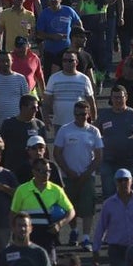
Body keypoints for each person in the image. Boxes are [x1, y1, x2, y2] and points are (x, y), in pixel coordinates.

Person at [53, 100, 104, 250]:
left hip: (87, 176)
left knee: (88, 207)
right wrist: (68, 171)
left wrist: (87, 173)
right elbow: (57, 153)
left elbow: (99, 155)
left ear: (88, 114)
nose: (80, 117)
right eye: (77, 114)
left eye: (83, 114)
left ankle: (86, 237)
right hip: (69, 176)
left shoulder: (93, 131)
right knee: (70, 205)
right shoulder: (65, 130)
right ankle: (74, 231)